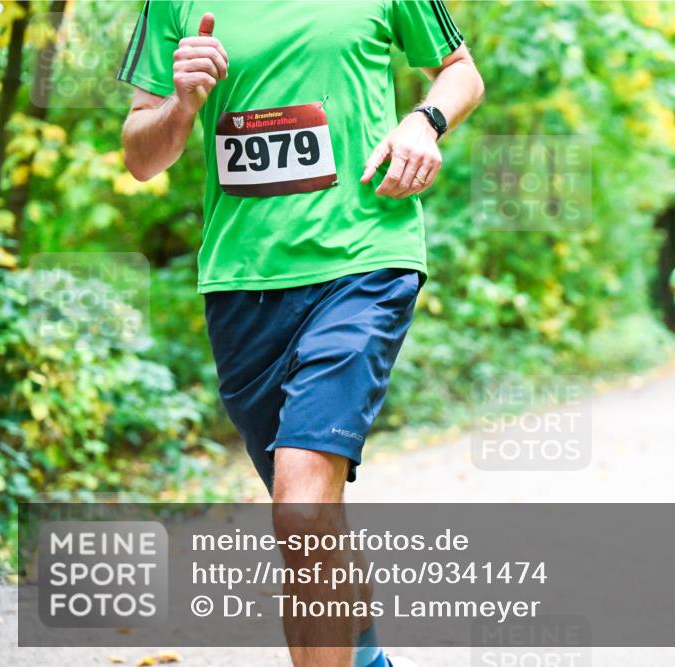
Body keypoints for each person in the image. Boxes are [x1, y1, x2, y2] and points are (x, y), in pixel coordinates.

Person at [118, 3, 484, 667]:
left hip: (365, 260)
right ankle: (365, 657)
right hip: (242, 282)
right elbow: (141, 158)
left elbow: (461, 72)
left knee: (301, 507)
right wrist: (181, 104)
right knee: (311, 516)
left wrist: (423, 121)